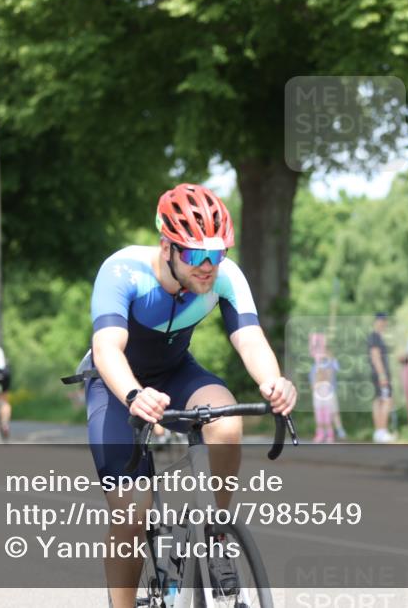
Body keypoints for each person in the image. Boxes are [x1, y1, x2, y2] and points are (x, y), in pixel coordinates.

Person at [81, 183, 297, 608]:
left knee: (226, 421)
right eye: (196, 255)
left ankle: (214, 533)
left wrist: (274, 382)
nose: (208, 267)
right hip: (116, 381)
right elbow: (107, 347)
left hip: (176, 370)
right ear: (167, 248)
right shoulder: (122, 271)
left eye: (216, 255)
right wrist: (133, 395)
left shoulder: (226, 276)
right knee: (131, 516)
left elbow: (250, 339)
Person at [368, 312, 395, 443]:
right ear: (376, 321)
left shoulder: (377, 337)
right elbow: (375, 356)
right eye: (381, 321)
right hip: (380, 374)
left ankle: (378, 432)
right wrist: (382, 375)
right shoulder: (375, 337)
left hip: (377, 374)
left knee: (379, 401)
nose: (383, 323)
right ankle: (382, 431)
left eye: (384, 321)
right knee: (386, 400)